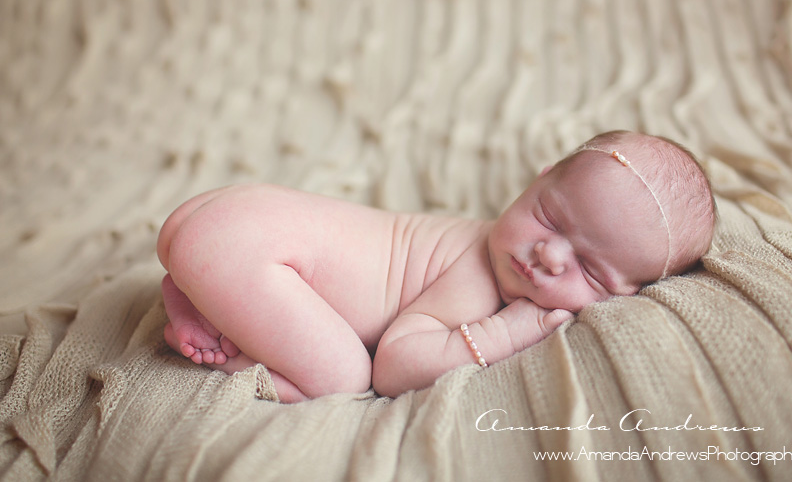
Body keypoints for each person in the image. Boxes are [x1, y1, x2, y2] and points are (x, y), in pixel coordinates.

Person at [157, 130, 716, 402]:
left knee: (234, 269)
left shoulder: (469, 240)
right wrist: (504, 330)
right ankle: (228, 349)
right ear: (535, 179)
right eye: (548, 217)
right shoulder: (476, 276)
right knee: (343, 378)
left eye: (590, 272)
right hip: (247, 244)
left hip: (224, 217)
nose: (549, 255)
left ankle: (195, 288)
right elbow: (395, 365)